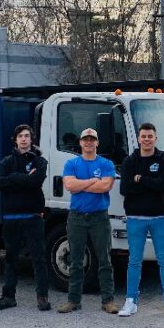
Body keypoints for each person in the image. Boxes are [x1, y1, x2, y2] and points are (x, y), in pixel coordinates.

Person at [117, 123, 164, 317]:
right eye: (143, 136)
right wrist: (150, 183)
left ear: (155, 138)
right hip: (135, 218)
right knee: (134, 261)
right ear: (138, 138)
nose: (146, 139)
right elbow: (124, 188)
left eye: (150, 136)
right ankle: (131, 301)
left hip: (160, 218)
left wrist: (140, 180)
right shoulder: (129, 161)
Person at [56, 128, 119, 314]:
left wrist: (81, 184)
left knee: (104, 260)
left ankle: (108, 300)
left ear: (97, 143)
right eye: (86, 139)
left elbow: (105, 186)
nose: (89, 143)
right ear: (81, 143)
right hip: (76, 217)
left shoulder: (107, 163)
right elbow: (69, 185)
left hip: (99, 217)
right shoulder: (71, 163)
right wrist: (92, 180)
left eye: (92, 140)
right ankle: (73, 300)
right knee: (75, 260)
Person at [0, 124, 50, 311]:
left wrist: (15, 179)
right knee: (10, 258)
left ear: (31, 139)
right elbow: (0, 183)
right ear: (15, 139)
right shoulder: (7, 161)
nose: (24, 139)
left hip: (33, 216)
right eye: (20, 136)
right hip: (11, 217)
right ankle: (8, 296)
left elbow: (36, 181)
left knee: (38, 258)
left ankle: (42, 297)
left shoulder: (40, 161)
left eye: (27, 135)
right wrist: (23, 177)